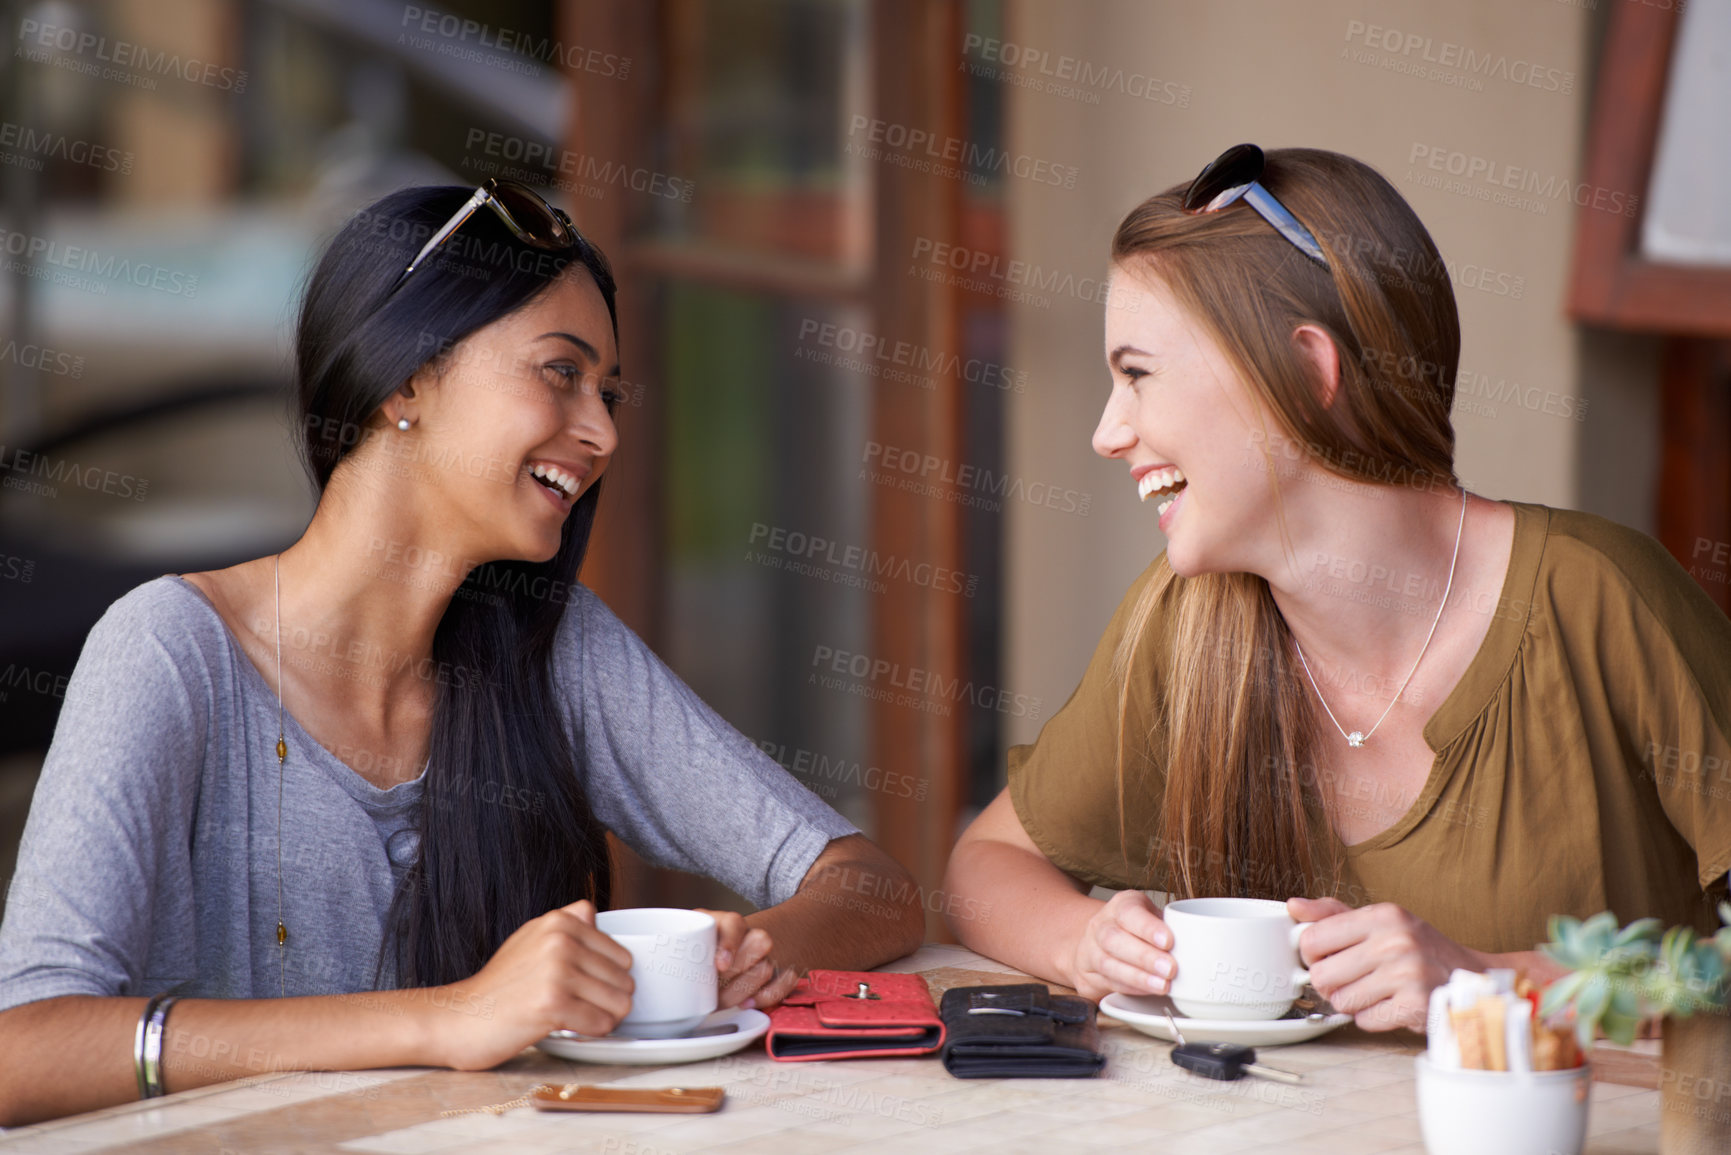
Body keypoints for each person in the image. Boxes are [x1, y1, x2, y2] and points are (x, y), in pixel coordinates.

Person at [0, 181, 922, 1126]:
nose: (602, 431)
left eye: (606, 392)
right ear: (406, 380)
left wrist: (753, 954)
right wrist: (450, 1017)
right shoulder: (171, 652)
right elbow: (23, 1050)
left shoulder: (551, 644)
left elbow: (874, 887)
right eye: (560, 373)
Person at [943, 145, 1731, 1034]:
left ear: (1307, 374)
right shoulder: (1185, 621)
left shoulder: (1600, 600)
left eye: (1137, 374)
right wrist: (1082, 940)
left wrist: (1485, 981)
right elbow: (987, 862)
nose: (1106, 431)